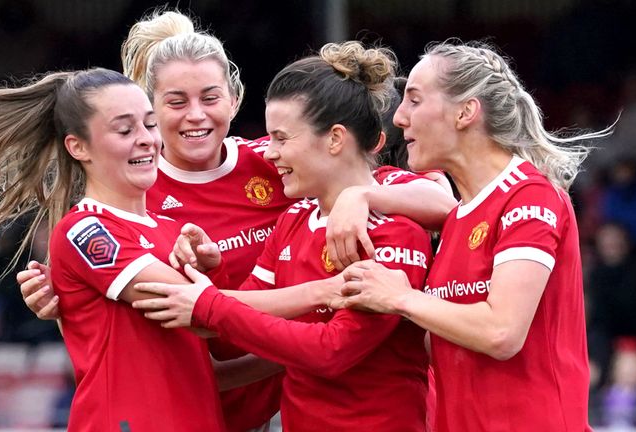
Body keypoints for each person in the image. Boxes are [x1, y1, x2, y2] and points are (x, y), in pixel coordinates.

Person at [18, 9, 456, 432]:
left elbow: (439, 201)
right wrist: (64, 304)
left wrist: (362, 194)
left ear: (233, 98)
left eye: (209, 97)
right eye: (174, 103)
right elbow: (186, 313)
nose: (195, 115)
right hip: (211, 400)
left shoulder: (276, 161)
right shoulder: (132, 196)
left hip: (287, 397)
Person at [0, 67, 226, 431]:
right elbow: (210, 314)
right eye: (126, 128)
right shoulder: (87, 228)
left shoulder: (171, 226)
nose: (148, 138)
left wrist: (290, 352)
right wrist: (299, 309)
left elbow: (200, 366)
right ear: (77, 146)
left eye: (149, 124)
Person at [132, 41, 432, 432]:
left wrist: (208, 305)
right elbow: (227, 342)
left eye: (281, 138)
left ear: (336, 139)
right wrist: (213, 278)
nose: (268, 152)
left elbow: (332, 352)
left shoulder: (396, 229)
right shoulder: (294, 218)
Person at [332, 40, 611, 431]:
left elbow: (501, 333)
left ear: (465, 112)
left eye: (414, 99)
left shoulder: (530, 195)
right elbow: (446, 344)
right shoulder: (459, 216)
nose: (398, 117)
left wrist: (400, 297)